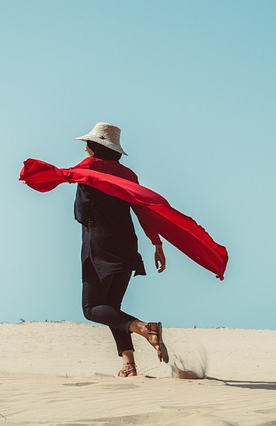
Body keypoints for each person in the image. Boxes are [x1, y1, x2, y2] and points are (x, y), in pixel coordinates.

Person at [73, 122, 169, 377]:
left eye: (87, 146)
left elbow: (82, 212)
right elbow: (143, 210)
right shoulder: (128, 175)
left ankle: (145, 328)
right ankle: (129, 364)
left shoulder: (88, 168)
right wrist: (157, 243)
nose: (85, 150)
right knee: (112, 306)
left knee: (91, 308)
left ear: (95, 147)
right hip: (127, 244)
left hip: (100, 244)